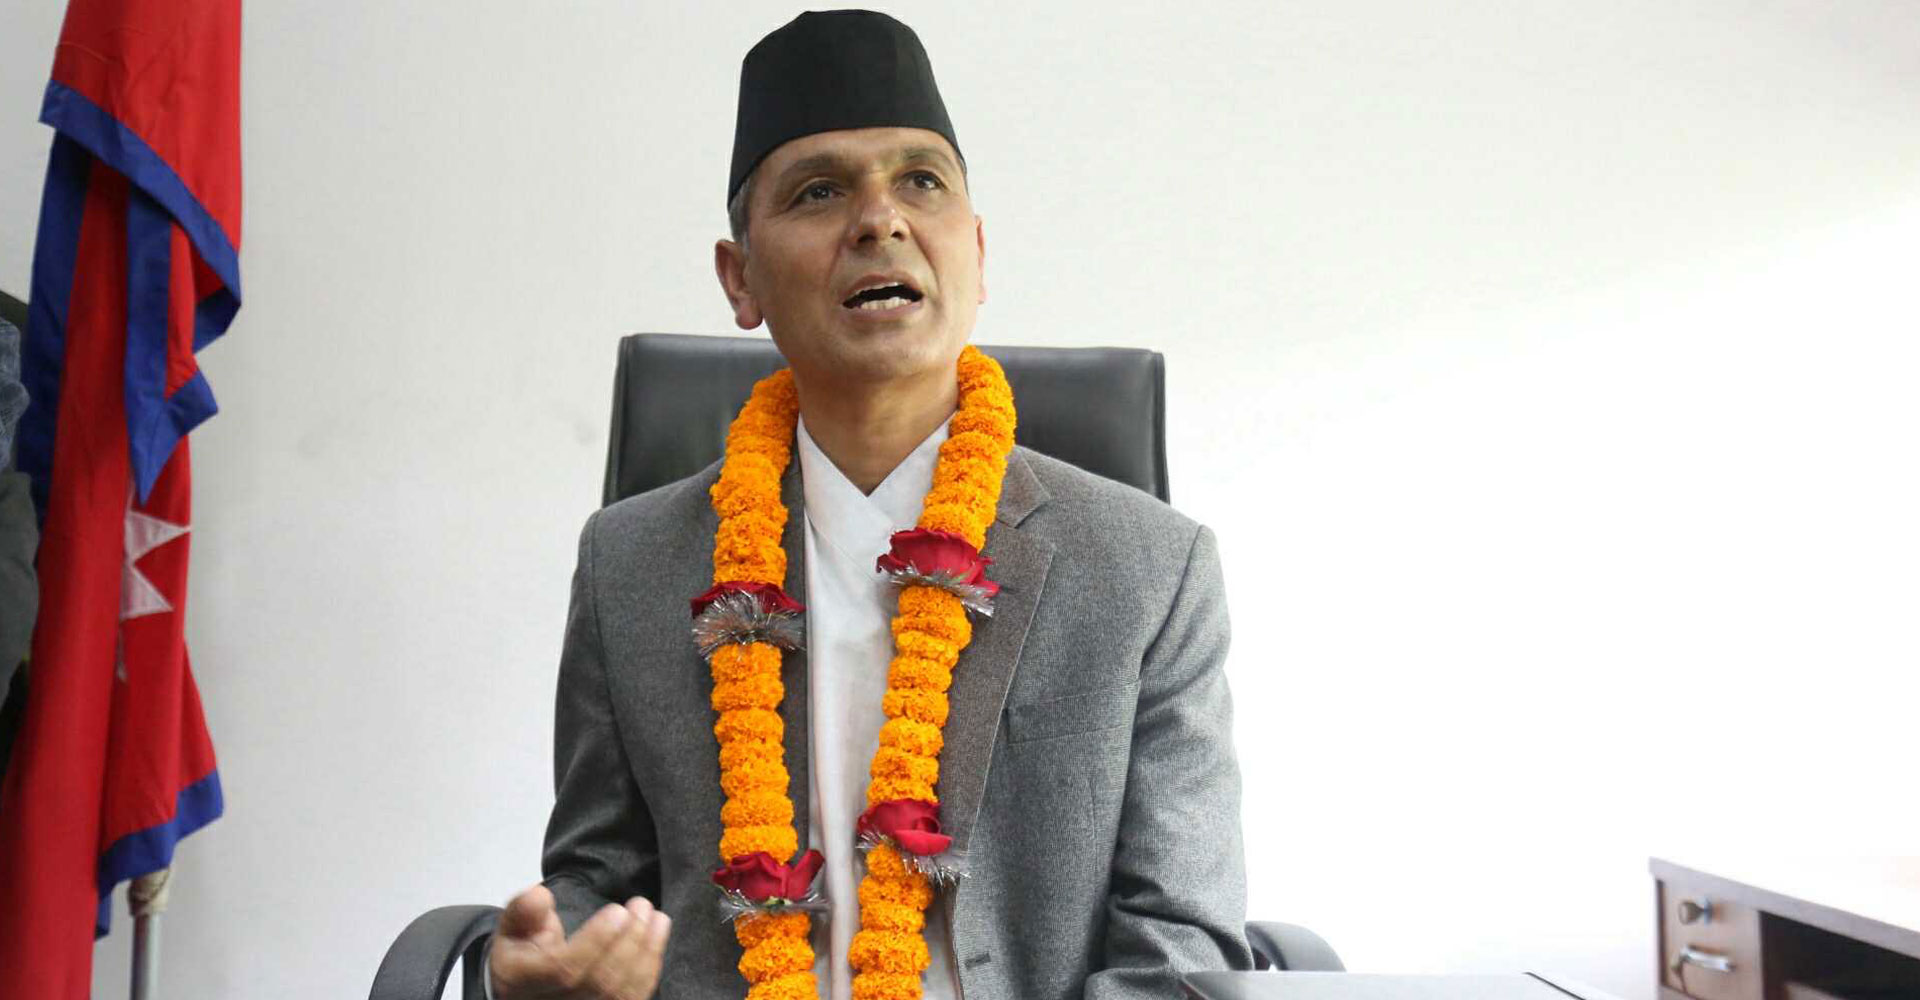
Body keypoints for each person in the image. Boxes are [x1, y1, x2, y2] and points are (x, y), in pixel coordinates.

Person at [488, 11, 1250, 999]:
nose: (880, 220)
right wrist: (543, 967)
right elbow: (594, 880)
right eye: (819, 191)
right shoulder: (628, 563)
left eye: (921, 181)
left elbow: (1182, 948)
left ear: (977, 252)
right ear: (741, 279)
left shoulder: (1151, 570)